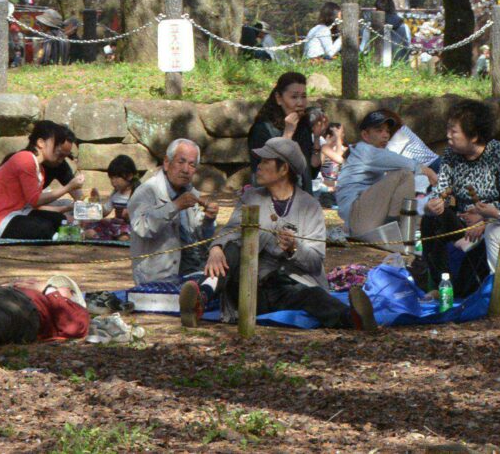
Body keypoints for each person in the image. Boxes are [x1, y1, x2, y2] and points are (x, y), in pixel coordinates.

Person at [182, 138, 373, 329]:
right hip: (249, 286)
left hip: (288, 286)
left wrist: (294, 248)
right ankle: (201, 298)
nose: (258, 166)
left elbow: (315, 261)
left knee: (314, 296)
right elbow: (229, 231)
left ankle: (355, 318)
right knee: (230, 249)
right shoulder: (250, 197)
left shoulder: (309, 206)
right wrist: (216, 248)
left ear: (284, 169)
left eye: (266, 161)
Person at [418, 103, 500, 301]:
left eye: (453, 131)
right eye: (447, 129)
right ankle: (441, 285)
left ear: (473, 136)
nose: (448, 135)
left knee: (468, 282)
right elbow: (441, 191)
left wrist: (485, 219)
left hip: (493, 223)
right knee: (432, 220)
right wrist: (435, 203)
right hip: (462, 223)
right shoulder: (450, 155)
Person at [127, 139, 215, 285]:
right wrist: (175, 206)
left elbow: (200, 236)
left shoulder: (190, 193)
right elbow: (142, 228)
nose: (186, 169)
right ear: (167, 163)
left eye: (192, 165)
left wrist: (209, 220)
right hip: (156, 279)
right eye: (181, 162)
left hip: (193, 272)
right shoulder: (146, 191)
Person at [333, 110, 425, 244]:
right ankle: (394, 232)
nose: (385, 135)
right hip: (357, 216)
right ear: (365, 135)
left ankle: (399, 230)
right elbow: (412, 165)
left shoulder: (376, 152)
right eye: (379, 130)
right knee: (405, 174)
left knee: (406, 182)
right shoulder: (365, 151)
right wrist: (433, 175)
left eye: (387, 131)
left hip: (363, 219)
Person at [0, 120, 77, 239]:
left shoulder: (39, 168)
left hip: (17, 212)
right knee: (44, 228)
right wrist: (68, 188)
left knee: (59, 219)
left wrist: (65, 209)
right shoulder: (25, 160)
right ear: (41, 142)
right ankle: (60, 237)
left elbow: (31, 205)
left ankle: (57, 234)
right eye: (56, 143)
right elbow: (35, 200)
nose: (58, 148)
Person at [248, 71, 316, 181]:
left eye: (303, 96)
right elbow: (265, 174)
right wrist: (288, 133)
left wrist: (317, 138)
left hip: (302, 195)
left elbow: (311, 173)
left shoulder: (303, 126)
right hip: (272, 196)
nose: (300, 103)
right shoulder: (262, 129)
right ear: (279, 98)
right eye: (294, 97)